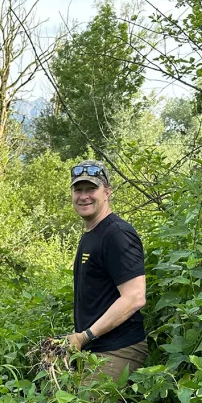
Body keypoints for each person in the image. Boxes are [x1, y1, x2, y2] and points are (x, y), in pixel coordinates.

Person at [60, 160, 148, 379]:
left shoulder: (116, 234)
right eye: (78, 189)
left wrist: (86, 336)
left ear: (107, 191)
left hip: (118, 350)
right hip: (94, 350)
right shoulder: (92, 233)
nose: (84, 196)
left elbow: (135, 296)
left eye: (91, 189)